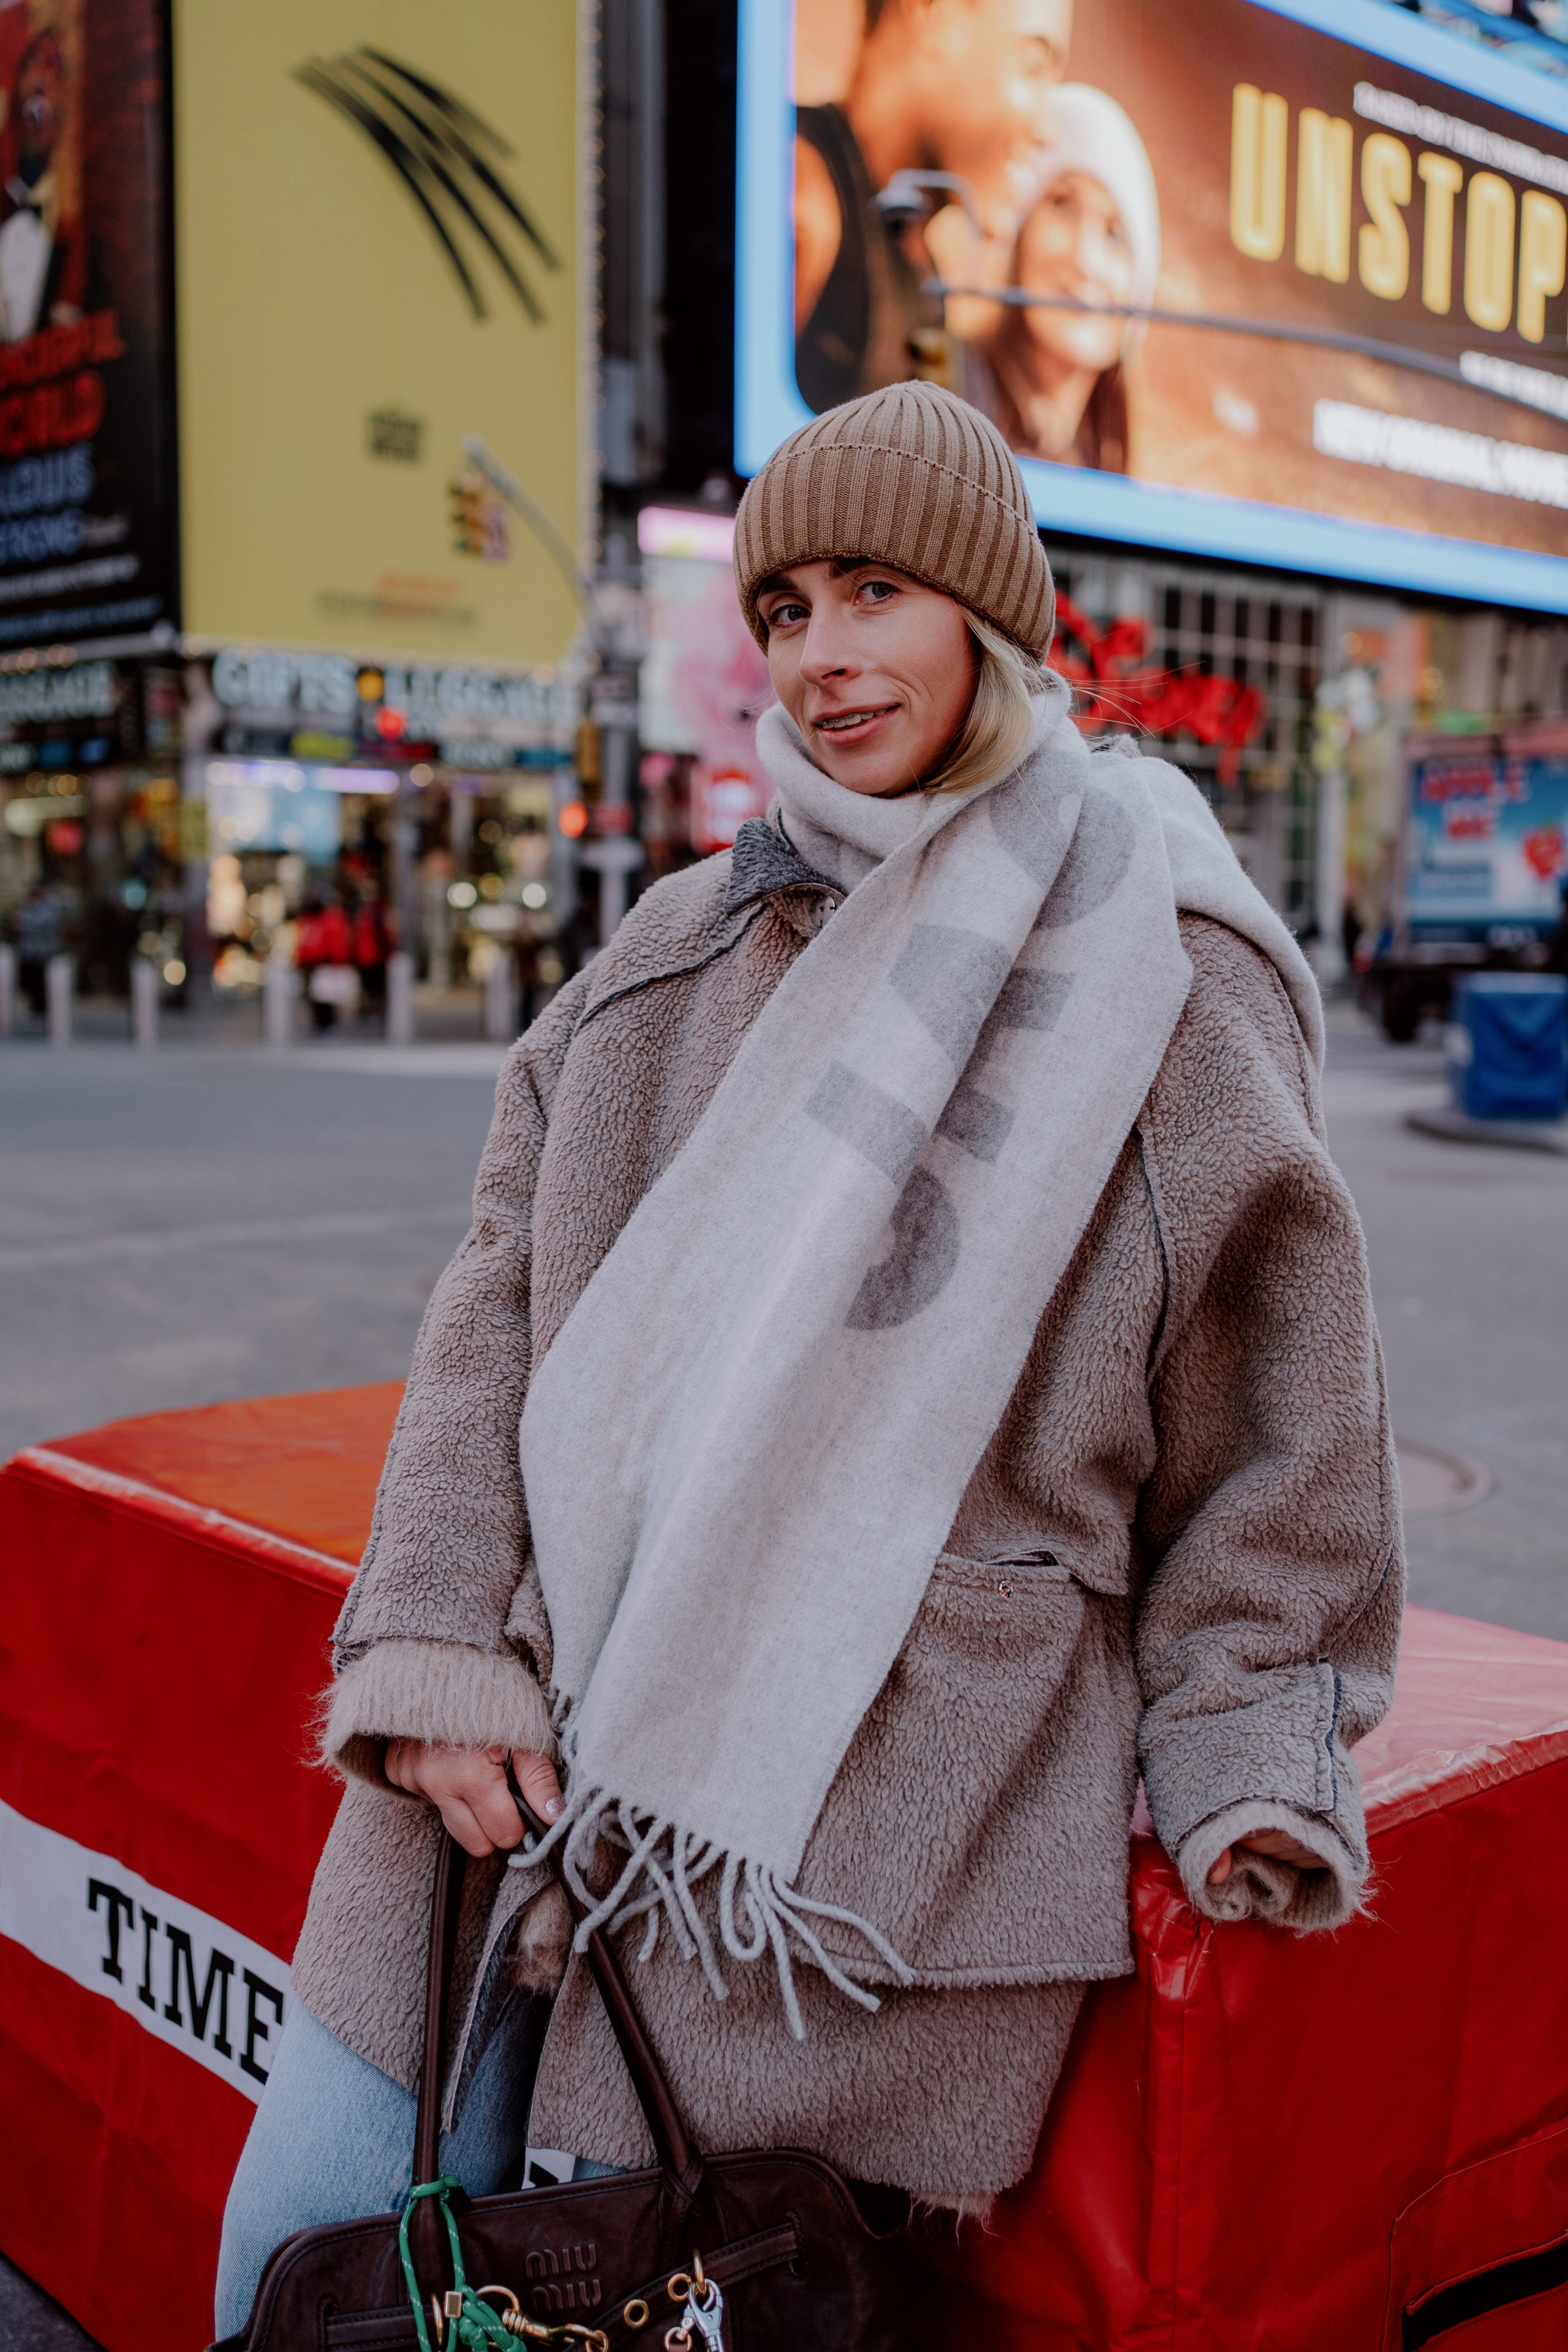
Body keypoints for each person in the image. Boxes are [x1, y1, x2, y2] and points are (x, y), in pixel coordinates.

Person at [215, 385, 1402, 2334]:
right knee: (297, 2272)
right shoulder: (677, 944)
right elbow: (492, 1315)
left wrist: (1246, 1750)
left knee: (627, 2288)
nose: (823, 654)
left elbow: (1282, 1435)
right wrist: (432, 1649)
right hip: (494, 1782)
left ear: (985, 617)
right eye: (783, 607)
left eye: (876, 590)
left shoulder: (1168, 973)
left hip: (842, 1858)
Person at [795, 0, 1072, 410]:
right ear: (933, 12)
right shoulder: (806, 197)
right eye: (1031, 67)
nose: (1047, 129)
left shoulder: (922, 274)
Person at [961, 83, 1159, 469]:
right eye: (1063, 206)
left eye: (1116, 235)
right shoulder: (953, 399)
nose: (1086, 260)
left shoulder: (1108, 459)